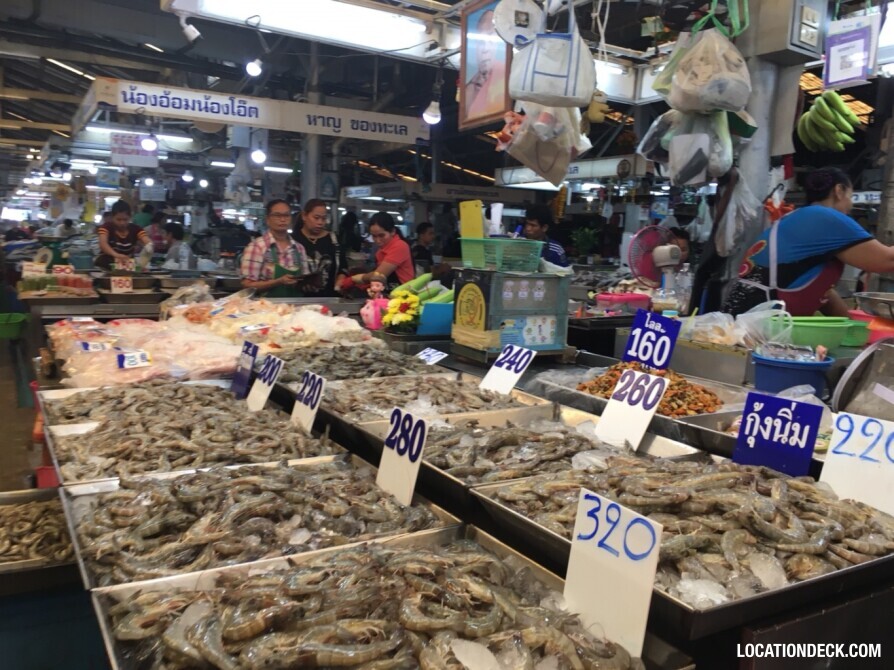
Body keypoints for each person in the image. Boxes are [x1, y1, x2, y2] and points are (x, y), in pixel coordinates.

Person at [724, 167, 894, 317]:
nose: (849, 206)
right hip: (758, 322)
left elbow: (823, 292)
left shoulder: (799, 216)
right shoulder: (826, 218)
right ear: (839, 191)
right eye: (850, 196)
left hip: (745, 317)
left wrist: (852, 327)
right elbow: (886, 261)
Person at [240, 199, 311, 296]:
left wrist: (309, 284)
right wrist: (278, 282)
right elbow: (247, 286)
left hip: (296, 308)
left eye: (286, 215)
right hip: (266, 308)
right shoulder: (256, 247)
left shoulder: (299, 248)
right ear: (267, 219)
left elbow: (305, 280)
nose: (282, 219)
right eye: (277, 215)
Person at [346, 212, 415, 288]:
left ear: (392, 231)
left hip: (403, 295)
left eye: (381, 235)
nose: (377, 240)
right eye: (374, 236)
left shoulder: (400, 246)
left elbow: (378, 275)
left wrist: (354, 279)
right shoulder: (380, 250)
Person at [464, 9, 507, 120]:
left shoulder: (506, 80)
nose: (485, 49)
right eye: (481, 42)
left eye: (491, 41)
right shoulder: (469, 89)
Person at [292, 198, 340, 296]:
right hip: (298, 299)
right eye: (316, 218)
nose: (320, 222)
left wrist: (340, 281)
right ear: (304, 216)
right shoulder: (292, 240)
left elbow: (342, 268)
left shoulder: (334, 241)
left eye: (324, 218)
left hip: (329, 298)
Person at [96, 200, 150, 269]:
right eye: (118, 219)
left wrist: (149, 246)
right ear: (112, 217)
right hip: (106, 267)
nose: (122, 223)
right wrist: (116, 255)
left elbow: (146, 240)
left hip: (127, 267)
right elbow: (103, 244)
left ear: (130, 217)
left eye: (125, 219)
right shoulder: (106, 227)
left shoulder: (135, 229)